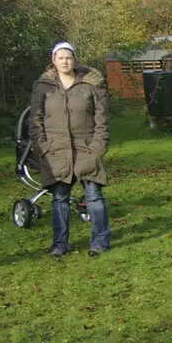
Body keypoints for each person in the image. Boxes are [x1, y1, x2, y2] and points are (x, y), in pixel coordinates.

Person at [29, 41, 111, 257]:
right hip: (56, 151)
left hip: (86, 148)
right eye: (60, 58)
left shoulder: (91, 85)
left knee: (94, 196)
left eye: (69, 57)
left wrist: (97, 147)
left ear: (74, 60)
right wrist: (43, 147)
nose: (65, 61)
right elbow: (35, 120)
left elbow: (102, 120)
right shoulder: (43, 87)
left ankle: (100, 241)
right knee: (60, 198)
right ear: (53, 61)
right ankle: (60, 244)